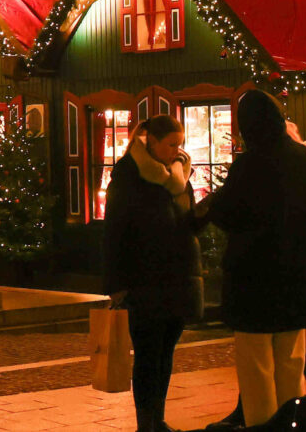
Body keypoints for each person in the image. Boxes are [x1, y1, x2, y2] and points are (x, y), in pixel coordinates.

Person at [195, 90, 306, 427]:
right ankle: (294, 421)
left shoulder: (249, 164)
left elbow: (227, 213)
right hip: (297, 278)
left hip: (254, 282)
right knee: (291, 362)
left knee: (256, 367)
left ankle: (263, 425)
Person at [103, 115, 200, 432]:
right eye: (171, 144)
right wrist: (116, 283)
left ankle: (157, 419)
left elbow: (187, 220)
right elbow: (115, 229)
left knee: (166, 353)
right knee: (147, 354)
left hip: (176, 277)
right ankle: (146, 423)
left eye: (180, 144)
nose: (177, 150)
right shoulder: (129, 173)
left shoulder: (180, 175)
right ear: (151, 142)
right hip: (143, 279)